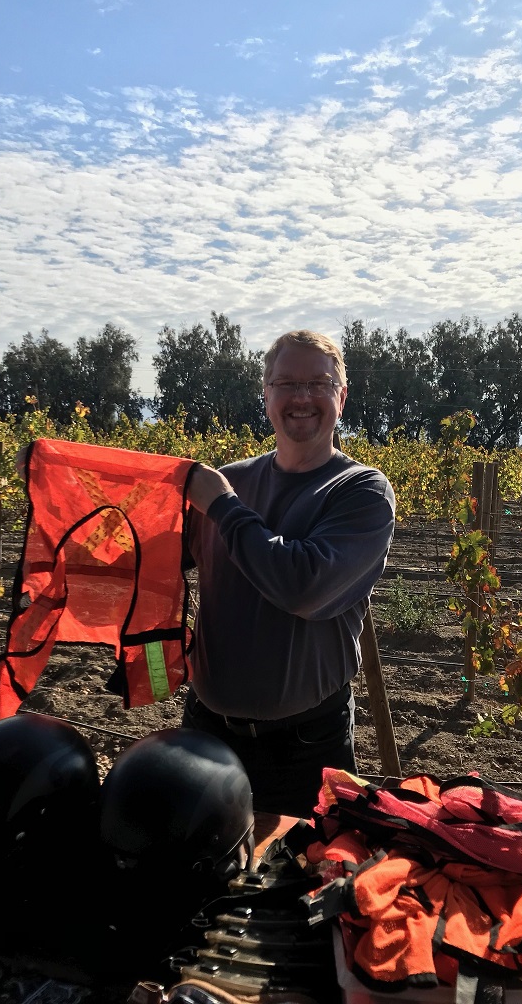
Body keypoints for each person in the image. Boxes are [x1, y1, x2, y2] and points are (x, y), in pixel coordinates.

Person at [183, 329, 395, 818]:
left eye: (318, 383)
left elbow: (303, 586)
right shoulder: (230, 480)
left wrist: (224, 508)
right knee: (200, 859)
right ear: (266, 395)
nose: (302, 397)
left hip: (305, 748)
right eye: (286, 384)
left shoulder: (361, 491)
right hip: (205, 730)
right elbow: (147, 552)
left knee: (299, 865)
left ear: (342, 396)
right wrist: (58, 478)